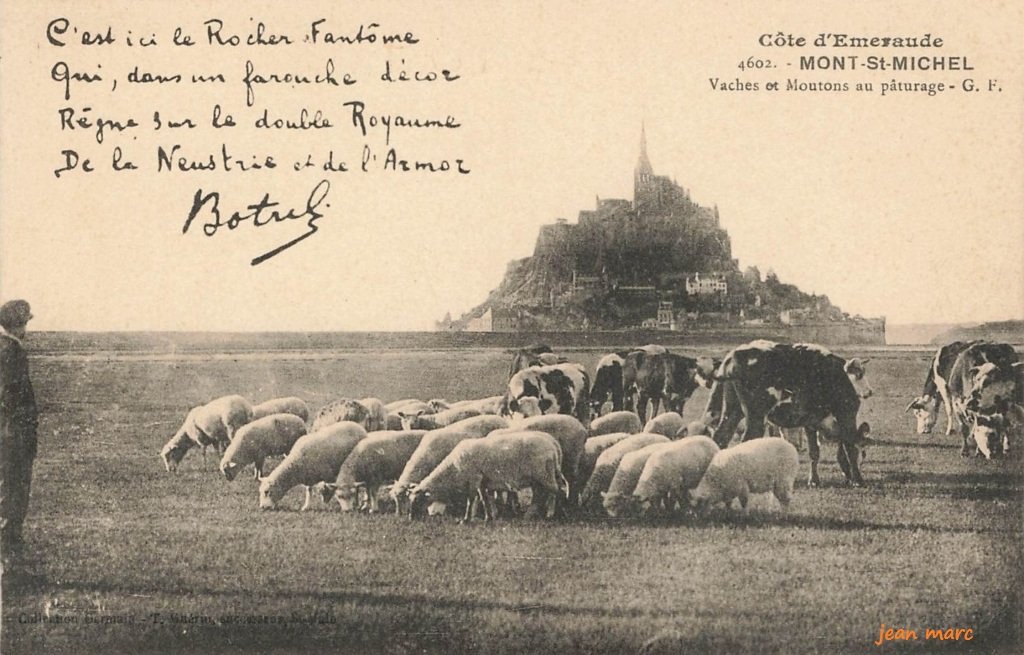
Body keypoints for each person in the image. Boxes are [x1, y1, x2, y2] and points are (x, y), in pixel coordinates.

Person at [0, 299, 37, 570]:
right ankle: (9, 561)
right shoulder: (12, 351)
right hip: (13, 436)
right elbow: (13, 397)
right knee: (13, 496)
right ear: (19, 324)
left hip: (7, 433)